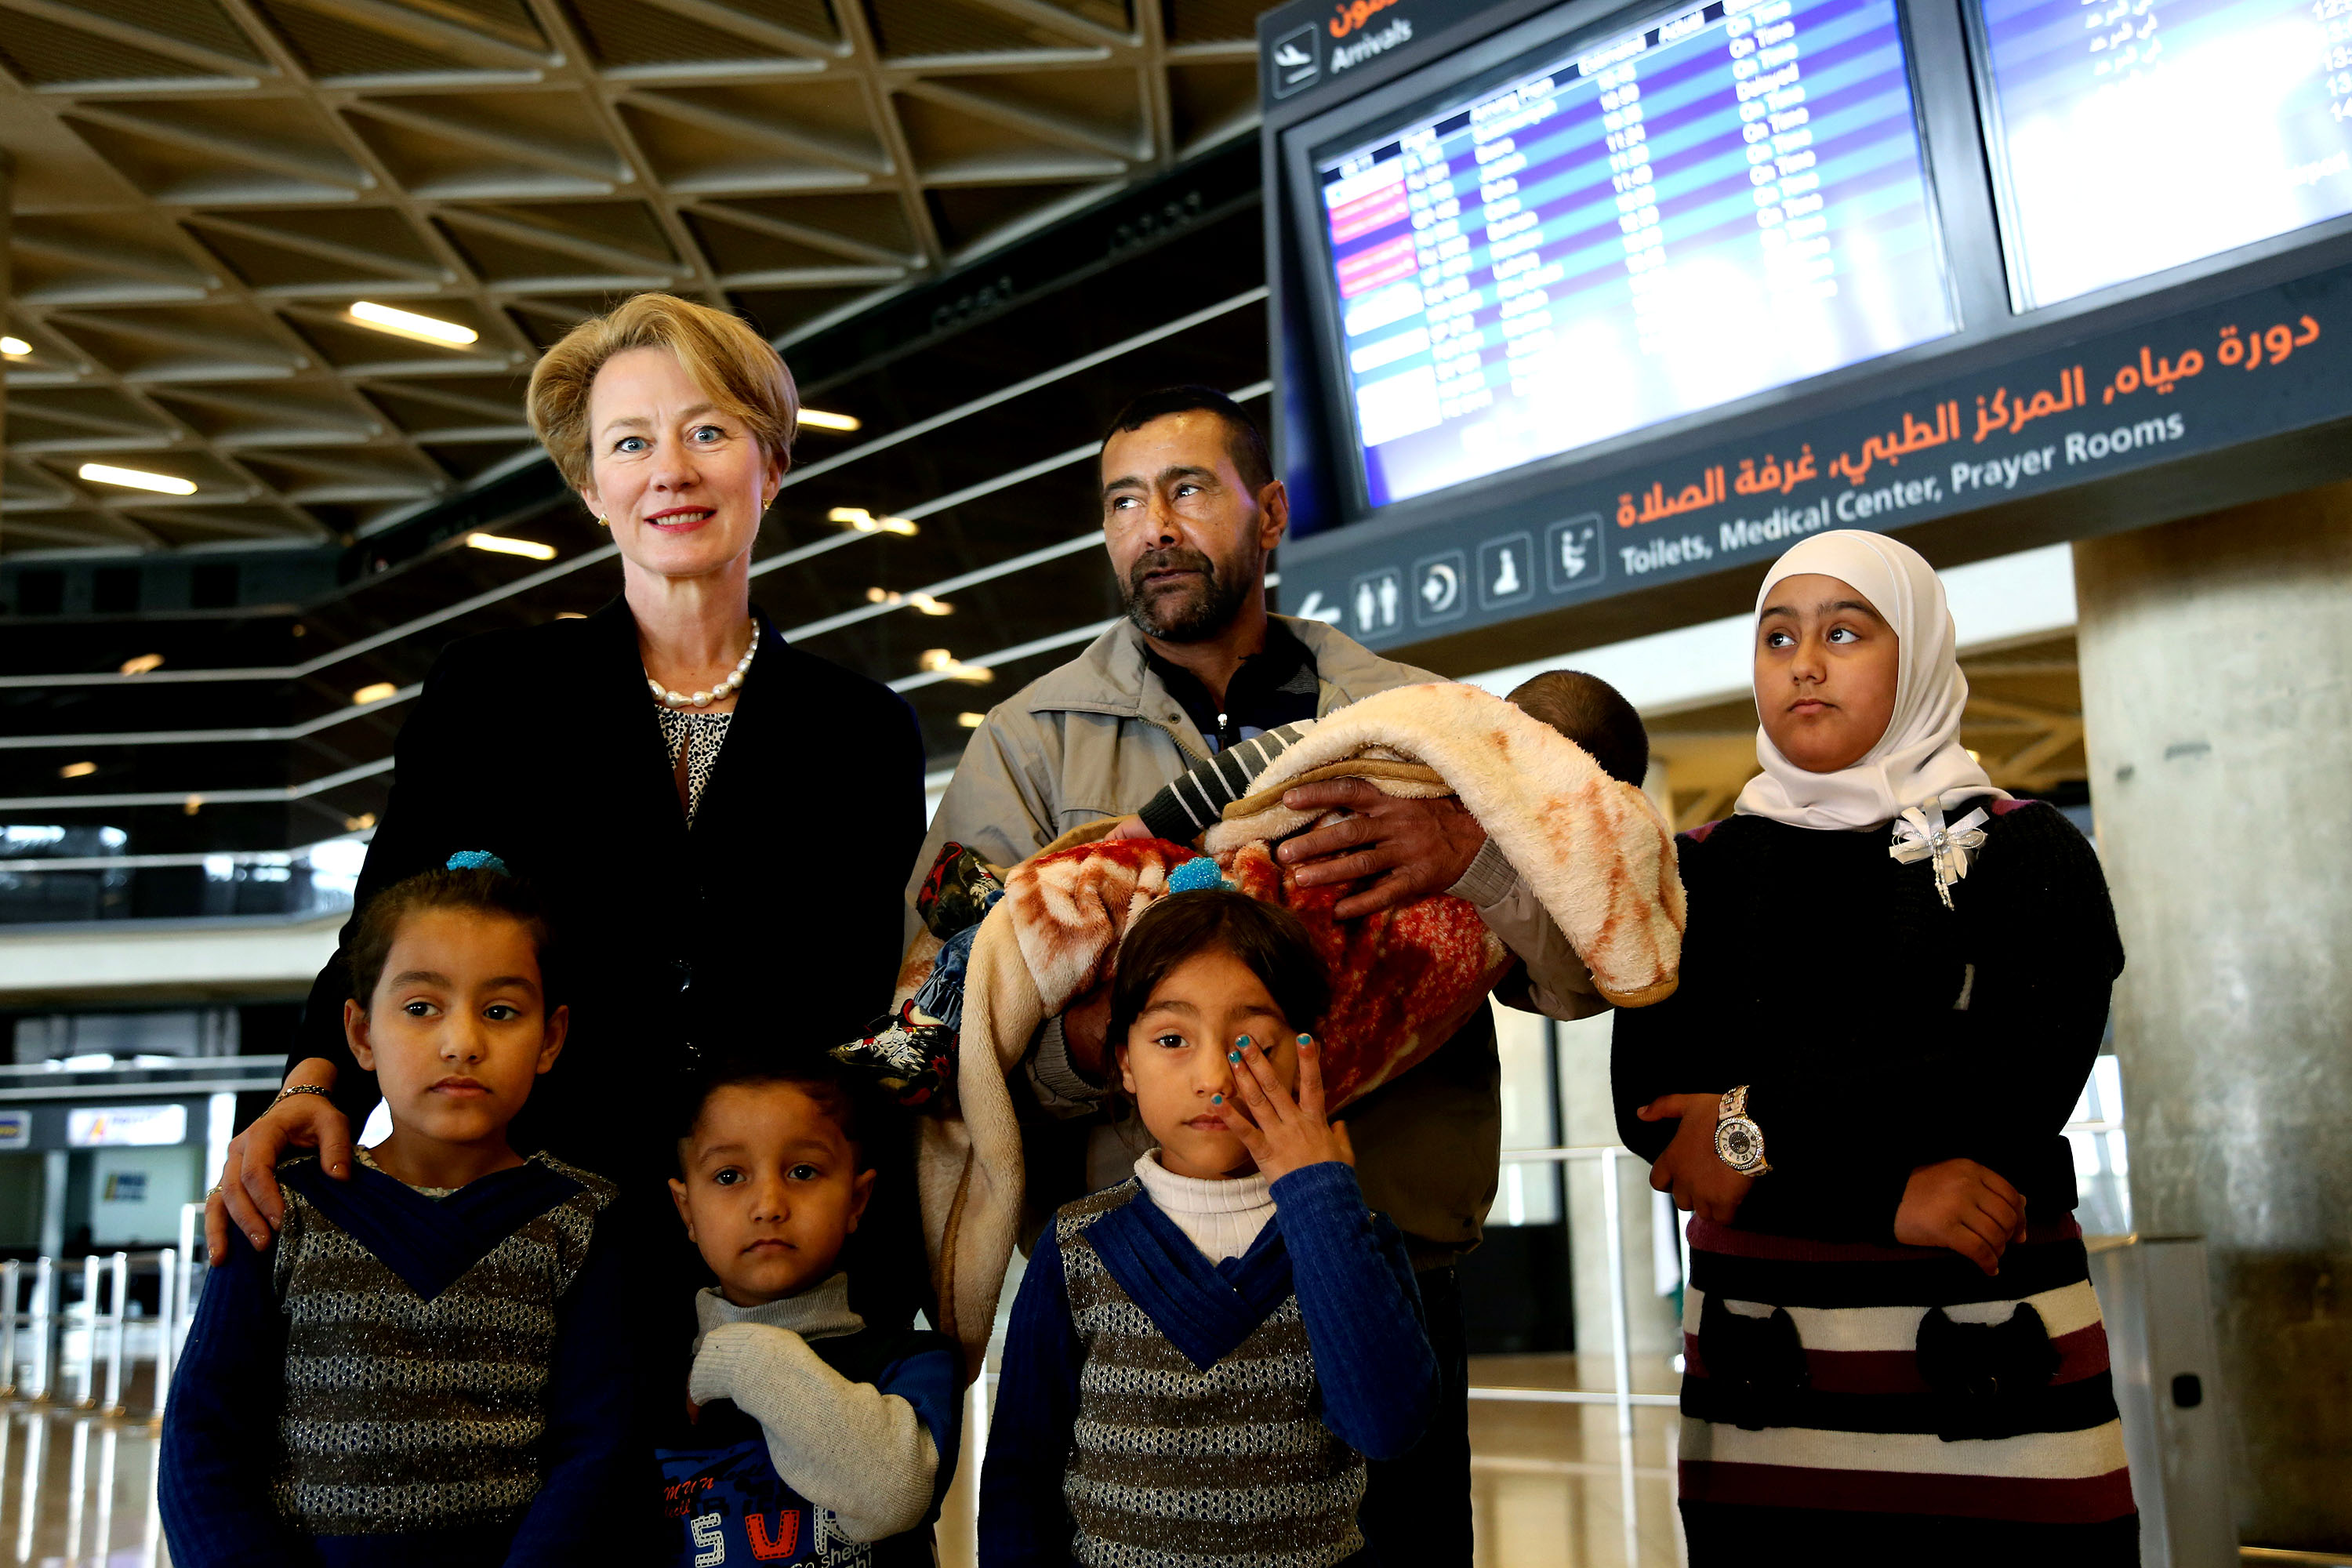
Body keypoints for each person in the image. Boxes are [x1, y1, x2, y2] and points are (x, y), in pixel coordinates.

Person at [913, 385, 1608, 1557]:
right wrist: (1108, 1038)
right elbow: (946, 1009)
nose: (1154, 526)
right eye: (1124, 502)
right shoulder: (1028, 747)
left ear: (1271, 511)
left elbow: (1580, 972)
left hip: (1386, 1256)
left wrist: (1477, 859)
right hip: (1132, 1278)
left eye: (1188, 489)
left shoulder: (1423, 721)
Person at [204, 292, 927, 1330]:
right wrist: (309, 1090)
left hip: (769, 1255)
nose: (670, 470)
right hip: (530, 1234)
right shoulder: (494, 695)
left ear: (771, 466)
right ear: (594, 488)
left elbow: (865, 1012)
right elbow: (387, 931)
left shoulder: (862, 731)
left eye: (708, 432)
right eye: (631, 443)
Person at [1610, 529, 2136, 1557]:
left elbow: (2009, 1084)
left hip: (1994, 1380)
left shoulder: (2027, 849)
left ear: (1920, 655)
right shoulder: (1698, 870)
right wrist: (1889, 1200)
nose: (1804, 662)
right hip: (1769, 1394)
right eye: (1777, 637)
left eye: (1844, 631)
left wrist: (1755, 1125)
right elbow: (1661, 1122)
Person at [161, 858, 631, 1568]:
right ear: (359, 1035)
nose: (462, 1042)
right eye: (420, 1008)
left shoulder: (583, 1220)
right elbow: (203, 1436)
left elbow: (595, 1451)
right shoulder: (287, 1205)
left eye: (501, 1011)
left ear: (552, 1038)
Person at [978, 890, 1438, 1566]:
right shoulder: (1078, 1246)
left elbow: (1387, 1425)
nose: (1214, 1076)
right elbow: (1022, 1466)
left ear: (1308, 1057)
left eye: (1252, 1042)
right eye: (1171, 1040)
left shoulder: (1354, 1233)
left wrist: (1317, 1198)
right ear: (1126, 1063)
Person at [658, 1055, 961, 1566]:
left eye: (803, 1171)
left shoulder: (914, 1364)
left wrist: (743, 1355)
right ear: (687, 1209)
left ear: (856, 1200)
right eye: (730, 1175)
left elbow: (890, 1496)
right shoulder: (649, 1383)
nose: (769, 1204)